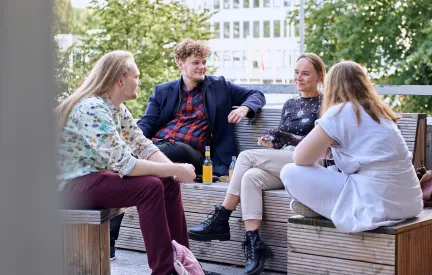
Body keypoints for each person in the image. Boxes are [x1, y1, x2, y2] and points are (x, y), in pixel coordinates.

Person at [110, 38, 266, 256]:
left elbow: (256, 94)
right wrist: (124, 140)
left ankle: (112, 239)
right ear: (180, 64)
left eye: (204, 62)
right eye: (196, 62)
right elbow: (146, 124)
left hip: (191, 154)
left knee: (140, 160)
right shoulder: (163, 91)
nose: (202, 67)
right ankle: (109, 240)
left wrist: (245, 109)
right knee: (125, 168)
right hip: (159, 147)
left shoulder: (219, 86)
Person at [56, 50, 196, 275]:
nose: (139, 81)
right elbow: (127, 165)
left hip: (94, 179)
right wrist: (177, 167)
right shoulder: (93, 109)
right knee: (149, 187)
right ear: (120, 80)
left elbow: (143, 145)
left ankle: (184, 262)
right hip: (70, 187)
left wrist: (174, 172)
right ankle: (165, 270)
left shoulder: (116, 108)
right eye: (136, 76)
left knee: (168, 182)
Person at [187, 53, 326, 275]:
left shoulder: (326, 104)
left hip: (312, 162)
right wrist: (272, 140)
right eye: (296, 73)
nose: (299, 78)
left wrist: (283, 136)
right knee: (250, 176)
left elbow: (322, 144)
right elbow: (282, 143)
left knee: (247, 157)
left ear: (319, 76)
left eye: (305, 73)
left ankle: (222, 216)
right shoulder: (290, 104)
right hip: (288, 163)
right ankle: (255, 244)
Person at [280, 61, 423, 233]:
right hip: (411, 202)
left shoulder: (340, 111)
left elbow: (300, 158)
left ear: (332, 86)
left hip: (378, 202)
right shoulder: (379, 112)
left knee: (289, 171)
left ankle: (329, 208)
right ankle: (326, 207)